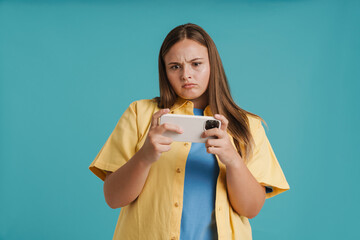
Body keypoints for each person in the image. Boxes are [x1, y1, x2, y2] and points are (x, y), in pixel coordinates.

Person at [89, 23, 290, 240]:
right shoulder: (139, 114)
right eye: (175, 66)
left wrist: (232, 160)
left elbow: (251, 209)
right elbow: (113, 198)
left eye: (196, 64)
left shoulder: (248, 126)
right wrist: (145, 156)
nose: (186, 75)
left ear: (213, 65)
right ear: (164, 71)